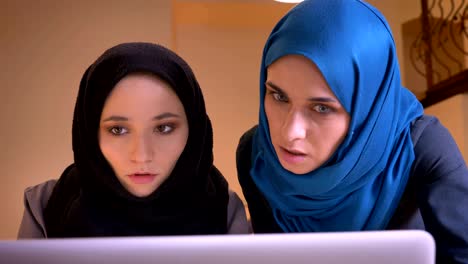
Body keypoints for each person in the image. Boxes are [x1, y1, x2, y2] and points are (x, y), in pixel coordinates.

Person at [236, 0, 468, 263]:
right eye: (278, 95)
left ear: (366, 108)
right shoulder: (255, 154)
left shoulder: (421, 146)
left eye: (321, 108)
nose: (290, 133)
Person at [18, 42, 249, 238]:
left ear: (194, 129)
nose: (141, 155)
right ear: (89, 131)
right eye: (118, 130)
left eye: (164, 128)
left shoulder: (224, 210)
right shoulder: (45, 206)